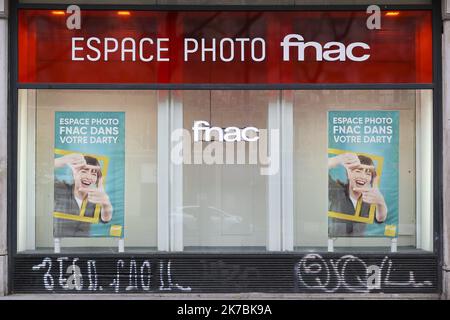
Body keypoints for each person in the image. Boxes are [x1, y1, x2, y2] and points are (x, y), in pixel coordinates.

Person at [328, 153, 387, 237]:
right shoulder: (337, 190)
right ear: (348, 174)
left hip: (358, 244)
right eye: (358, 171)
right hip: (335, 243)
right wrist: (339, 159)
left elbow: (380, 218)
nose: (363, 176)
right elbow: (320, 169)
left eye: (368, 173)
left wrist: (381, 202)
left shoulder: (371, 198)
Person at [53, 153, 113, 237]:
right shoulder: (62, 189)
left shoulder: (96, 198)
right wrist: (64, 160)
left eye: (94, 174)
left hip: (83, 245)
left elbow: (105, 219)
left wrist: (106, 203)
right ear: (74, 174)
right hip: (60, 244)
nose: (89, 177)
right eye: (84, 171)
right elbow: (42, 170)